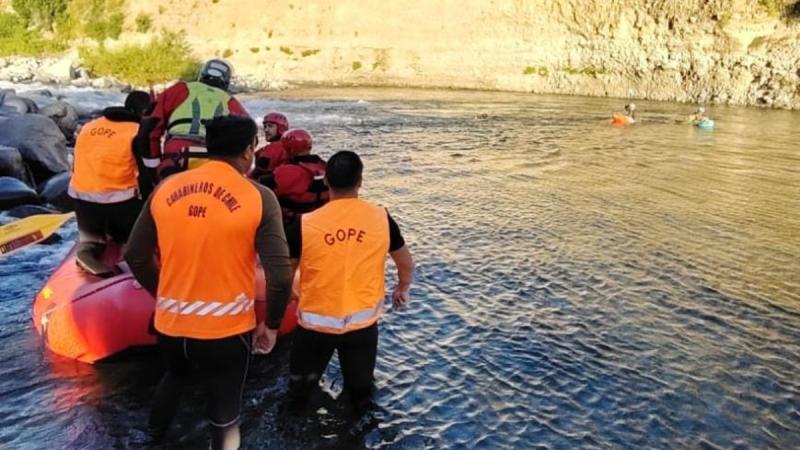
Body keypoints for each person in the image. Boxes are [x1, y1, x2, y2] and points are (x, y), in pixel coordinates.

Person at [125, 115, 293, 450]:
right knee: (225, 413)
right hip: (226, 332)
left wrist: (164, 296)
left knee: (173, 378)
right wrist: (271, 324)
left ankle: (150, 440)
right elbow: (280, 276)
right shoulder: (259, 197)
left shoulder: (166, 188)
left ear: (208, 148)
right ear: (249, 152)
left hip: (171, 325)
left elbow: (135, 255)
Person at [285, 150, 414, 413]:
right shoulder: (381, 217)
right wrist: (402, 288)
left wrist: (290, 299)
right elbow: (405, 263)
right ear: (360, 181)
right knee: (360, 396)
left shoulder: (305, 224)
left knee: (297, 397)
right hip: (362, 328)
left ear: (326, 181)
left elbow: (284, 276)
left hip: (315, 327)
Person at [68, 90, 152, 277]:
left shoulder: (90, 126)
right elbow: (146, 174)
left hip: (82, 199)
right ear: (144, 113)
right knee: (133, 237)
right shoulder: (137, 132)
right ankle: (124, 263)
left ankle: (87, 252)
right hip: (119, 202)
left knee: (92, 241)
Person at [139, 59, 249, 182]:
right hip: (215, 159)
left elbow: (151, 126)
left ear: (201, 74)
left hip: (177, 154)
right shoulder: (232, 103)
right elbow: (247, 139)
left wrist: (152, 167)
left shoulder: (180, 90)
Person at [266, 128, 329, 223]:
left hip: (294, 225)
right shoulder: (326, 167)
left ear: (289, 149)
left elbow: (259, 187)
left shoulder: (286, 172)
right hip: (322, 221)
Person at [249, 112, 290, 182]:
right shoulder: (289, 146)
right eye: (265, 127)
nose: (266, 130)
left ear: (280, 128)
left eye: (270, 126)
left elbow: (257, 175)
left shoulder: (272, 149)